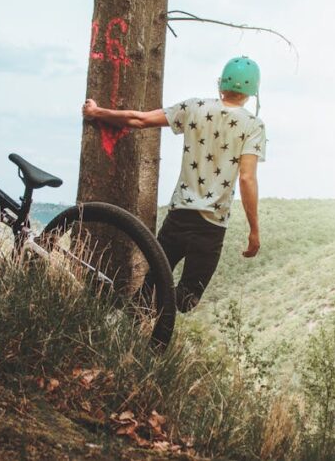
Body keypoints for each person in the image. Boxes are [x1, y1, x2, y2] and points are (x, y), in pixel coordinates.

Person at [81, 56, 266, 312]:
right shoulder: (253, 125)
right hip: (211, 226)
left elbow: (140, 120)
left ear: (221, 84)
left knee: (150, 291)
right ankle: (141, 335)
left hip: (179, 215)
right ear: (252, 92)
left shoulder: (194, 107)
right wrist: (254, 230)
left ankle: (124, 326)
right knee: (186, 300)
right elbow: (247, 178)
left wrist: (97, 112)